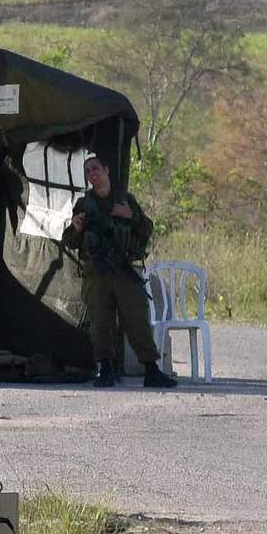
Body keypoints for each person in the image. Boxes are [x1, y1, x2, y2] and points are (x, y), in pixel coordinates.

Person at [62, 155, 177, 388]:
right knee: (100, 323)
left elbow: (146, 229)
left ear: (106, 170)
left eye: (95, 169)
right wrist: (75, 228)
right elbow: (70, 242)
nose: (92, 174)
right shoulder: (84, 205)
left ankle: (151, 371)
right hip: (97, 273)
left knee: (137, 320)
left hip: (125, 272)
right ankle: (105, 369)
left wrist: (130, 216)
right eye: (88, 171)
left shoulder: (126, 200)